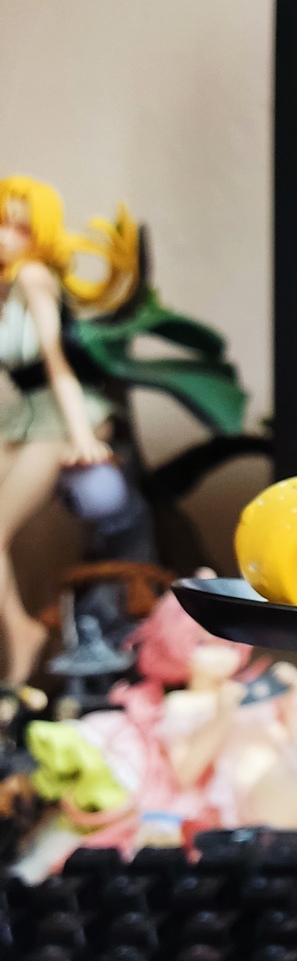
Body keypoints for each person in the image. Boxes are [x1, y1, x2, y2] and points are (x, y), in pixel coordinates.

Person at [0, 177, 134, 684]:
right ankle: (20, 628)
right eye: (1, 222)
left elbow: (58, 364)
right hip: (26, 415)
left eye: (20, 226)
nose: (6, 235)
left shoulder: (34, 277)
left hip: (60, 413)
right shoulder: (7, 285)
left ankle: (21, 634)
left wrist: (82, 436)